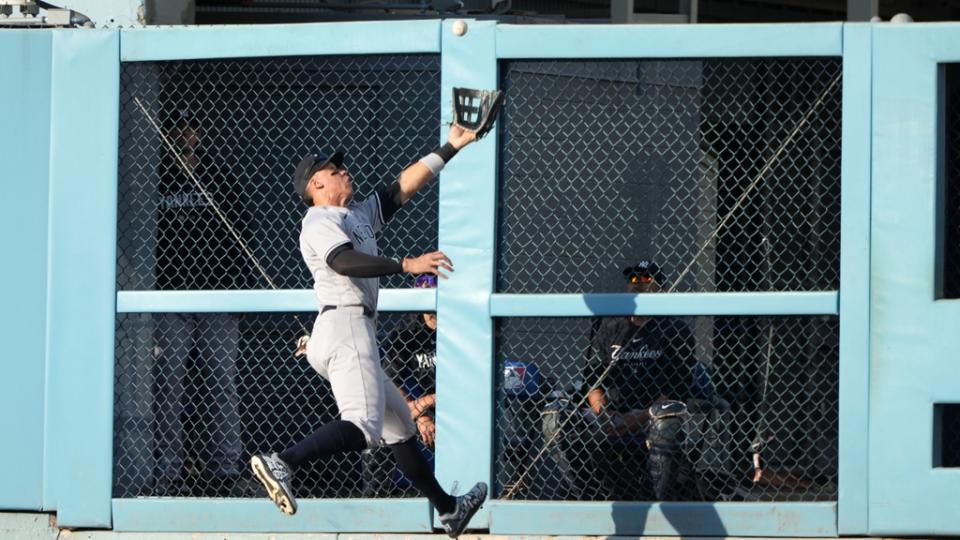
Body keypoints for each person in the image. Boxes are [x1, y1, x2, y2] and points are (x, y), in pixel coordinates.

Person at [249, 125, 487, 538]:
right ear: (316, 184)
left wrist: (453, 145)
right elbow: (343, 262)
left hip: (348, 328)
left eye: (342, 167)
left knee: (400, 427)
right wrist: (405, 265)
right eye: (334, 170)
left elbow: (400, 189)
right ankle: (282, 462)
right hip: (345, 324)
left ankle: (449, 511)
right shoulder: (319, 219)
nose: (345, 172)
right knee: (363, 427)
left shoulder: (354, 214)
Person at [151, 110, 245, 497]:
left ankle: (227, 467)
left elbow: (240, 231)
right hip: (170, 295)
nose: (187, 142)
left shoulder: (217, 178)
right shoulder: (156, 177)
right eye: (179, 134)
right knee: (167, 384)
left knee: (222, 382)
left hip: (214, 294)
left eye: (193, 134)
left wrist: (236, 287)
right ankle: (167, 468)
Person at [580, 260, 706, 500]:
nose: (638, 284)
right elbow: (592, 382)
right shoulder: (610, 327)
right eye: (633, 280)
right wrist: (604, 414)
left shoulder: (675, 330)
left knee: (667, 421)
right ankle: (591, 495)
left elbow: (675, 391)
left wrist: (636, 418)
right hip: (612, 412)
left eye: (646, 279)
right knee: (569, 422)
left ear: (661, 287)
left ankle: (659, 502)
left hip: (653, 414)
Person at [363, 273, 439, 497]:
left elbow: (468, 385)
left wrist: (426, 402)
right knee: (378, 431)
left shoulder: (461, 332)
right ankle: (376, 499)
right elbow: (389, 380)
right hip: (420, 413)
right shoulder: (408, 335)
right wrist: (420, 415)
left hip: (455, 408)